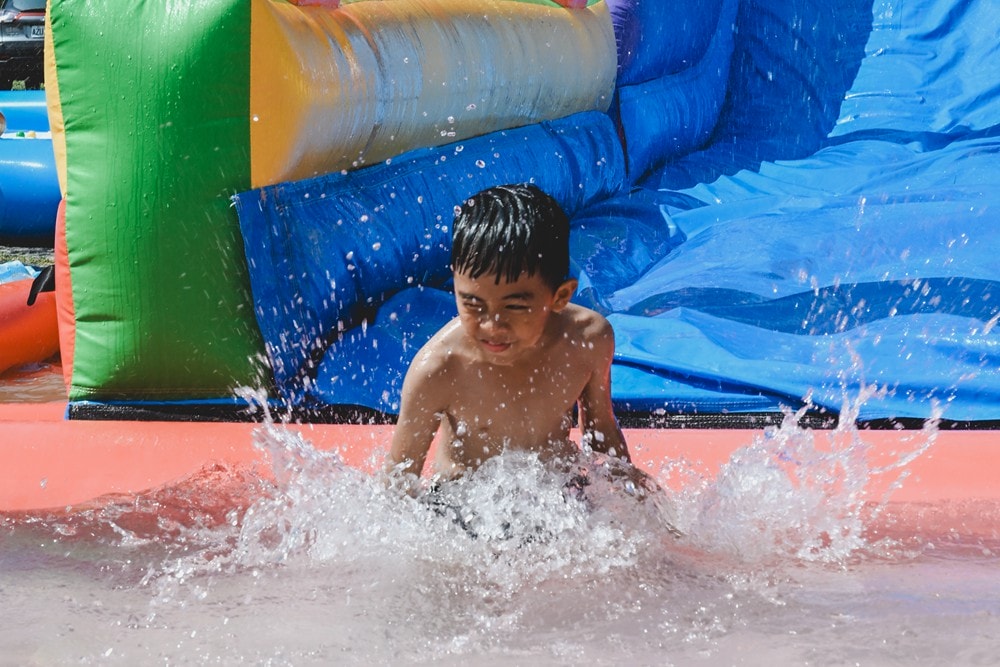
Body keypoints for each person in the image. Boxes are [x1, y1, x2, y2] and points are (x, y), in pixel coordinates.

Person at [386, 183, 633, 491]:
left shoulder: (587, 341)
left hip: (554, 497)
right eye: (473, 304)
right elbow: (396, 486)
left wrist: (630, 500)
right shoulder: (439, 368)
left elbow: (602, 433)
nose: (491, 326)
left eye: (514, 307)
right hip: (463, 507)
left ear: (560, 296)